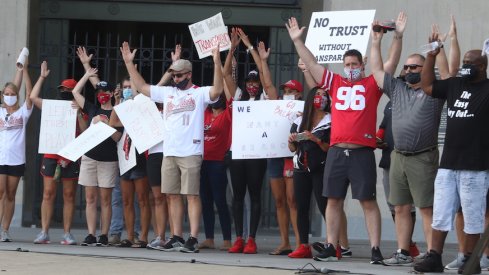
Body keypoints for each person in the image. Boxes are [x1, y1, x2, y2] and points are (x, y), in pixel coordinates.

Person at [285, 13, 405, 263]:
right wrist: (298, 41)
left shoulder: (373, 83)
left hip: (361, 151)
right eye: (347, 64)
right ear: (343, 66)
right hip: (337, 151)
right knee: (333, 199)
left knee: (368, 201)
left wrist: (397, 37)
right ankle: (331, 245)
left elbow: (389, 66)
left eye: (355, 64)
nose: (351, 68)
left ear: (362, 65)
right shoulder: (335, 83)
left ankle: (374, 249)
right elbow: (314, 64)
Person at [120, 41, 223, 253]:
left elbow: (218, 91)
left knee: (192, 196)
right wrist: (130, 64)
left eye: (179, 75)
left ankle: (193, 238)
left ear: (188, 74)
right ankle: (176, 236)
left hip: (191, 152)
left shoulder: (198, 92)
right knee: (172, 195)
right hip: (170, 152)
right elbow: (142, 87)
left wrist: (217, 62)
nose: (175, 79)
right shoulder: (167, 93)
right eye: (173, 75)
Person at [370, 14, 446, 266]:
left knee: (426, 208)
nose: (410, 70)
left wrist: (438, 49)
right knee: (401, 207)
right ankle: (403, 252)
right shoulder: (398, 88)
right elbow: (378, 71)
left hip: (423, 157)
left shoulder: (433, 91)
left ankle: (431, 254)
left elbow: (447, 75)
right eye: (408, 67)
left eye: (416, 67)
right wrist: (377, 41)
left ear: (425, 69)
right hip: (398, 157)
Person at [414, 35, 489, 274]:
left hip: (475, 166)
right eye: (464, 61)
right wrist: (431, 56)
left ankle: (470, 258)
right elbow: (427, 86)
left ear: (483, 67)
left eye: (471, 63)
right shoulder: (455, 84)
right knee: (441, 212)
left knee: (472, 215)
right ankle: (434, 256)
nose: (466, 66)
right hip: (448, 164)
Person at [228, 29, 278, 254]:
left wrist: (250, 47)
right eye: (249, 81)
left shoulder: (265, 97)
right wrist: (231, 50)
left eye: (254, 81)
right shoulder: (239, 96)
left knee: (255, 195)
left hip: (256, 154)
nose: (252, 84)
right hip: (238, 153)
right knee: (237, 196)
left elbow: (268, 83)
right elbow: (224, 76)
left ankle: (252, 239)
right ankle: (238, 238)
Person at [30, 61, 87, 245]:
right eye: (62, 89)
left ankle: (67, 233)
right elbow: (32, 97)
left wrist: (78, 113)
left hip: (71, 156)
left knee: (69, 195)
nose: (64, 92)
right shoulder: (52, 106)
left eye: (68, 90)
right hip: (51, 155)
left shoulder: (81, 109)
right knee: (48, 193)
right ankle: (44, 232)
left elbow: (85, 131)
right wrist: (42, 77)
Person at [198, 30, 239, 251]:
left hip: (218, 163)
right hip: (202, 161)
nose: (215, 99)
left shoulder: (228, 113)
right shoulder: (204, 112)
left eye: (218, 96)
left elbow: (224, 80)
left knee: (220, 201)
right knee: (205, 201)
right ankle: (209, 238)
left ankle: (225, 239)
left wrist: (227, 53)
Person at [71, 66, 121, 247]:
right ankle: (91, 233)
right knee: (90, 198)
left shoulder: (117, 112)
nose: (101, 94)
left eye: (104, 91)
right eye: (98, 91)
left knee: (106, 199)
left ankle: (104, 235)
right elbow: (75, 91)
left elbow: (118, 138)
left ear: (110, 93)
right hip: (90, 157)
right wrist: (86, 74)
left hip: (109, 160)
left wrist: (107, 125)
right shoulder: (92, 108)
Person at [286, 88, 330, 258]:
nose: (321, 98)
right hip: (301, 168)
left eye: (324, 95)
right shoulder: (299, 120)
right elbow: (291, 148)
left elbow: (329, 147)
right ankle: (303, 245)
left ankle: (334, 244)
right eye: (318, 95)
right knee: (301, 206)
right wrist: (292, 141)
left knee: (324, 205)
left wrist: (315, 139)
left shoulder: (331, 120)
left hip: (321, 167)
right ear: (311, 98)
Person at [108, 78, 150, 249]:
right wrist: (117, 101)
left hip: (140, 158)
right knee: (126, 200)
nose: (127, 90)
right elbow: (113, 123)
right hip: (125, 158)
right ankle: (130, 236)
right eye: (124, 87)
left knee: (142, 199)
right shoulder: (122, 109)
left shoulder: (143, 107)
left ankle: (144, 237)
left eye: (129, 87)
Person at [0, 58, 32, 242]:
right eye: (6, 93)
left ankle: (5, 230)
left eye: (12, 93)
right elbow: (14, 84)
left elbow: (28, 93)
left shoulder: (23, 112)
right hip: (1, 158)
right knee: (1, 192)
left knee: (10, 194)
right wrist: (18, 70)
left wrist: (25, 70)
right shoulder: (0, 112)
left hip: (16, 160)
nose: (9, 95)